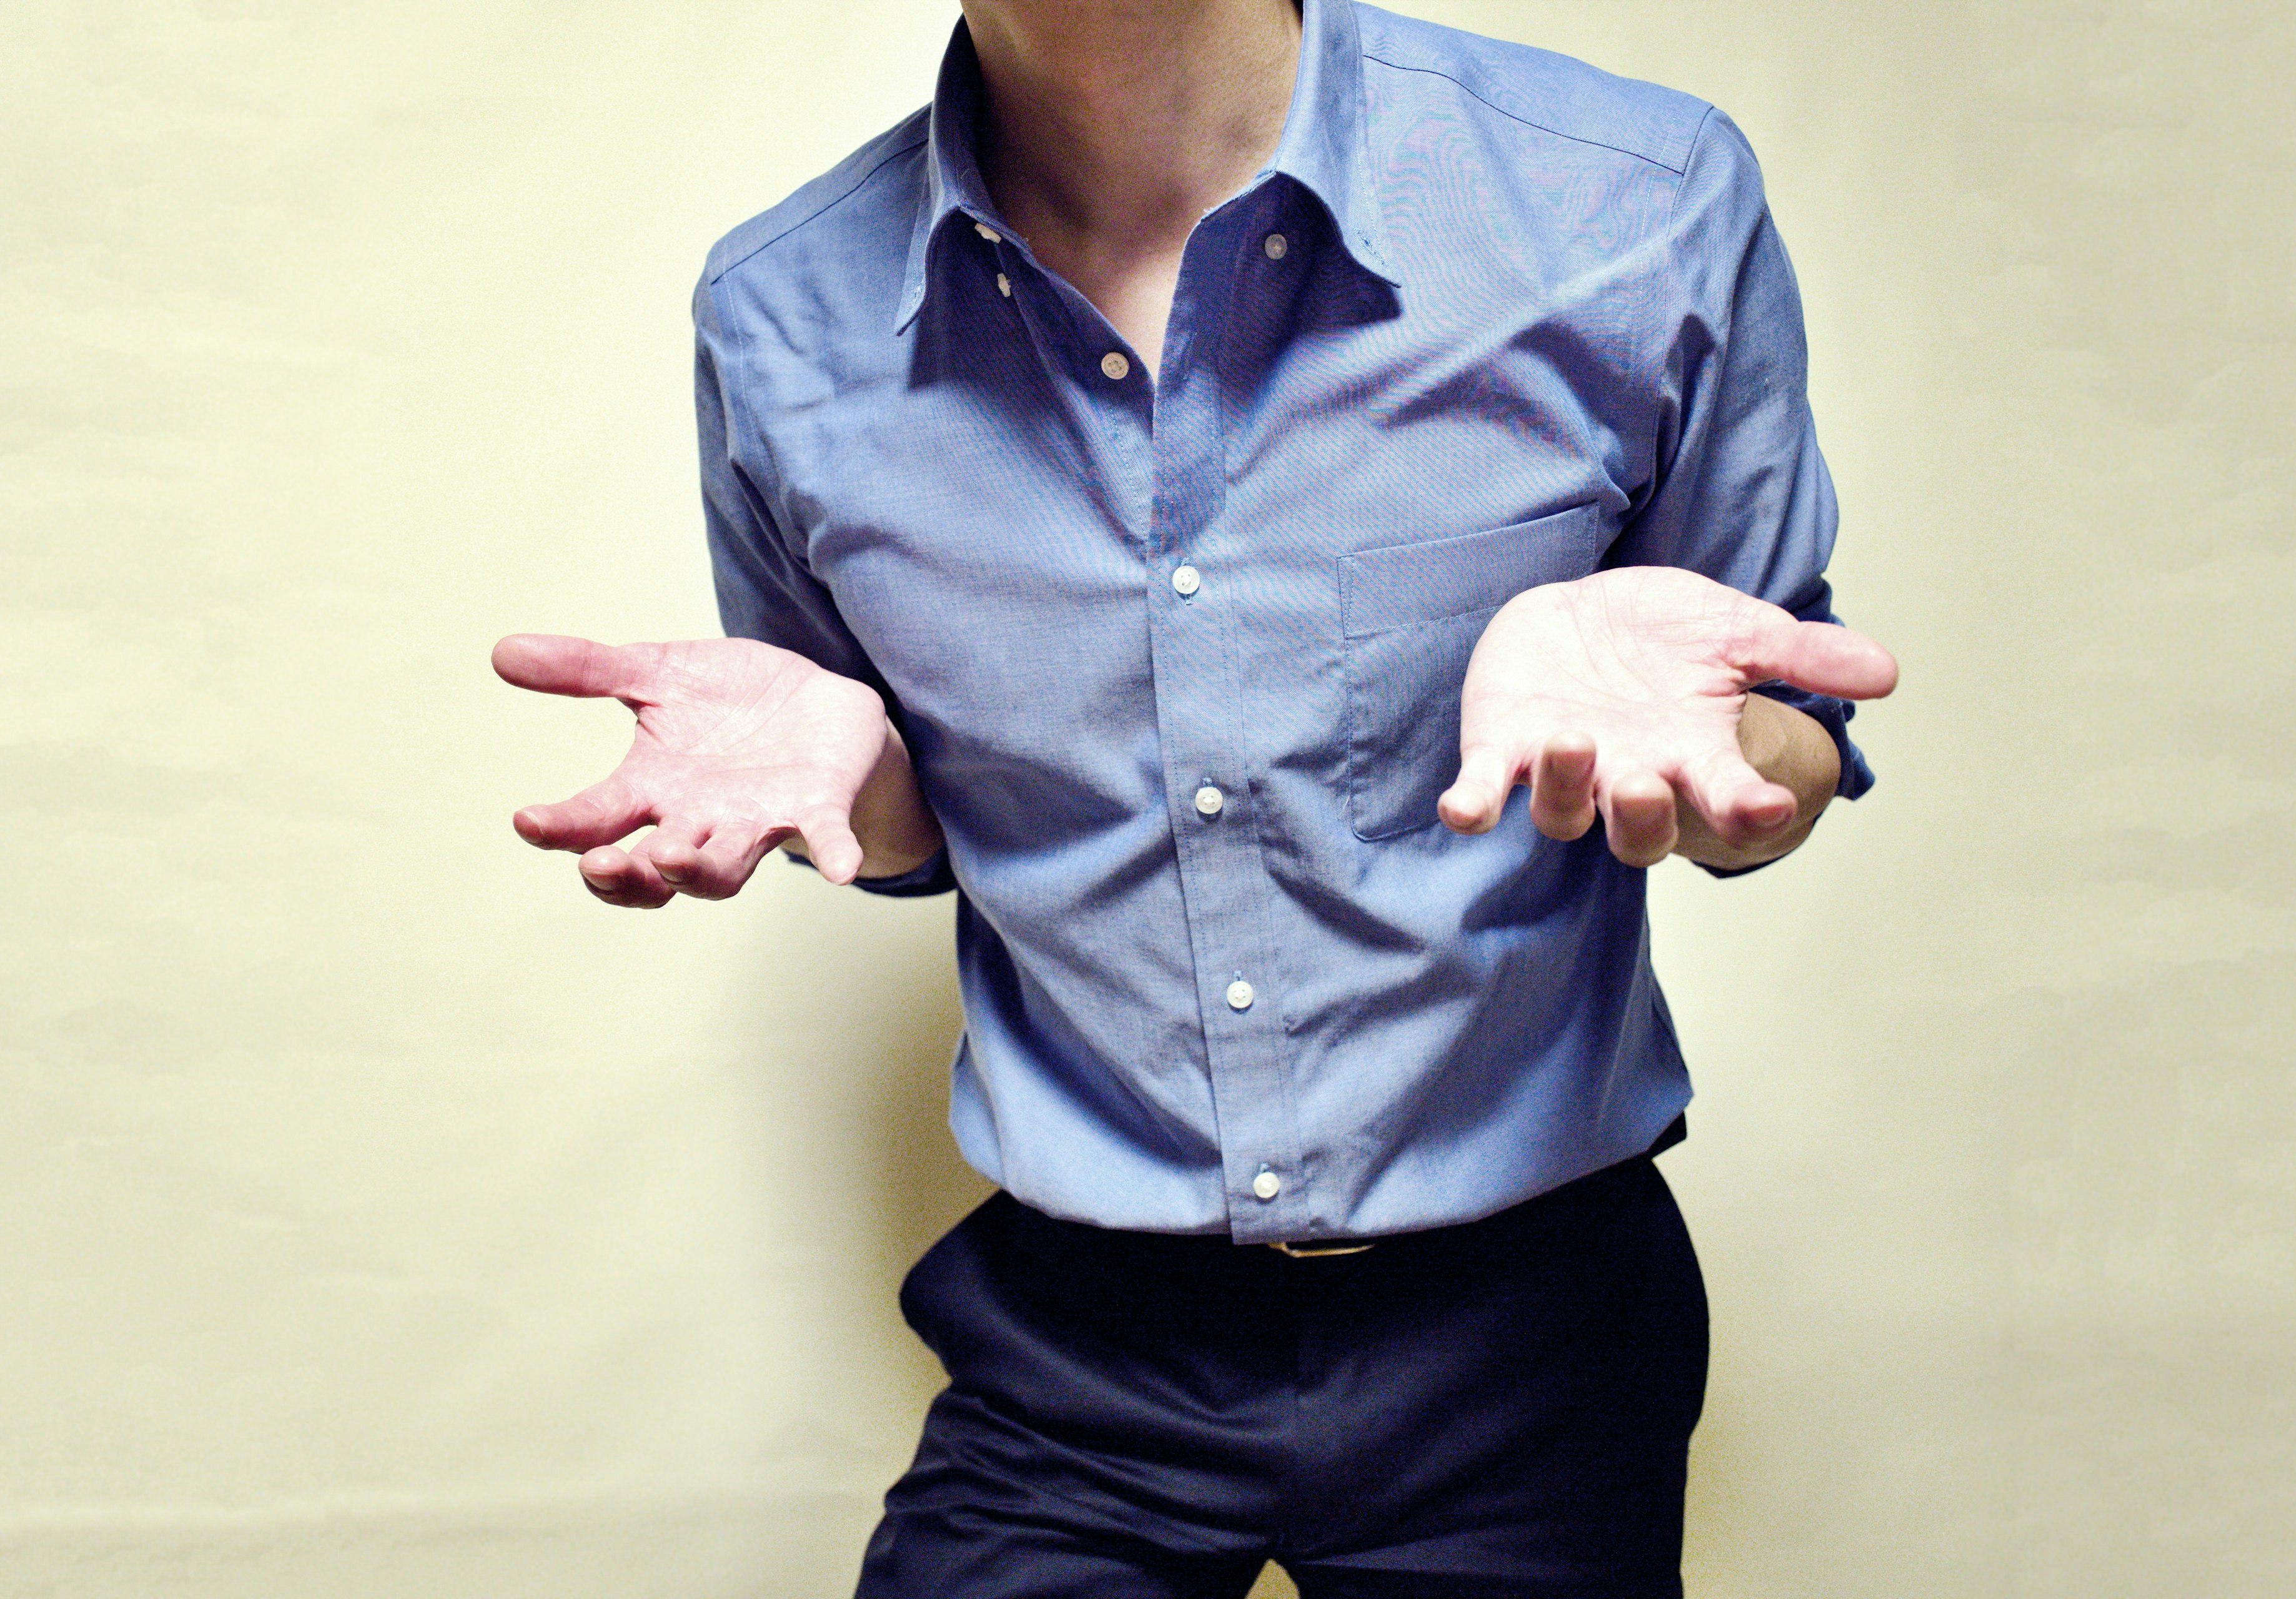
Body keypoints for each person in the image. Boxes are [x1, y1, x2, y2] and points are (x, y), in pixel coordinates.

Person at [493, 0, 1898, 1591]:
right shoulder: (779, 315)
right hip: (1077, 1343)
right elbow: (900, 823)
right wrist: (874, 786)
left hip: (1532, 1333)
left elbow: (1780, 733)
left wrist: (1723, 759)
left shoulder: (1633, 202)